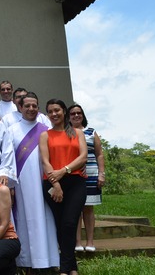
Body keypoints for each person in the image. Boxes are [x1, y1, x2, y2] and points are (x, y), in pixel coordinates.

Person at [9, 93, 59, 270]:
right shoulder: (12, 130)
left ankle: (48, 260)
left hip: (43, 181)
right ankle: (26, 262)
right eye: (27, 106)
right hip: (21, 184)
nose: (31, 109)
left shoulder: (46, 129)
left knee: (45, 218)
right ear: (20, 108)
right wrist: (10, 185)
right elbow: (8, 159)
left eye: (34, 106)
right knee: (24, 218)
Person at [40, 99, 87, 275]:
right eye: (50, 111)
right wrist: (56, 183)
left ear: (64, 111)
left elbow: (83, 157)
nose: (54, 114)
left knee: (69, 222)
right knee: (60, 224)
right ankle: (71, 267)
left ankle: (65, 267)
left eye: (57, 110)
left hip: (75, 182)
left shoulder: (77, 133)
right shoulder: (45, 135)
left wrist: (64, 170)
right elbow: (45, 161)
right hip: (52, 183)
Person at [69, 104, 105, 253]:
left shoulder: (91, 132)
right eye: (73, 113)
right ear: (68, 117)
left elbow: (99, 154)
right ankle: (77, 242)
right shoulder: (67, 133)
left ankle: (90, 242)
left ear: (83, 115)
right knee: (75, 209)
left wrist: (101, 173)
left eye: (79, 113)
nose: (76, 115)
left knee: (88, 209)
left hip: (91, 173)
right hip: (73, 174)